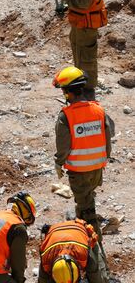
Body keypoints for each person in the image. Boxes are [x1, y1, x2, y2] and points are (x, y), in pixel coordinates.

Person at [52, 66, 114, 239]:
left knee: (87, 210)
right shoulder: (98, 110)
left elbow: (63, 146)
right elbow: (107, 140)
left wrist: (59, 162)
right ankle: (82, 233)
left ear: (67, 93)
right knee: (85, 201)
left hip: (79, 173)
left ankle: (95, 250)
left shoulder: (66, 116)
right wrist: (103, 160)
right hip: (97, 170)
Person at [52, 0, 107, 100]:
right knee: (79, 53)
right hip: (80, 23)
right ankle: (79, 85)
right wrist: (66, 0)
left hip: (86, 24)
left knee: (86, 58)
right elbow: (81, 1)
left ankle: (88, 91)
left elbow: (83, 4)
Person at [38, 219, 108, 283]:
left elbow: (95, 276)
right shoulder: (46, 261)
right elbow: (42, 279)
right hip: (55, 231)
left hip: (81, 232)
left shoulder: (83, 254)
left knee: (101, 275)